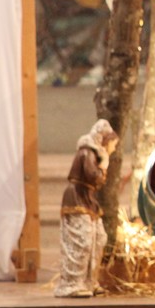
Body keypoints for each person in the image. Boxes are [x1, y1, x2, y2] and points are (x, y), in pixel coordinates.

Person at [55, 119, 119, 298]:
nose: (113, 149)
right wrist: (104, 163)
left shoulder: (94, 154)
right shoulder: (87, 152)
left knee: (99, 238)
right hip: (77, 198)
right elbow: (94, 176)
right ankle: (72, 283)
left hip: (88, 198)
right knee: (82, 240)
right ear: (104, 140)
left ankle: (90, 281)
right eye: (113, 145)